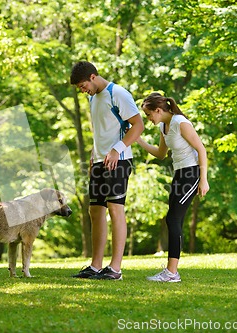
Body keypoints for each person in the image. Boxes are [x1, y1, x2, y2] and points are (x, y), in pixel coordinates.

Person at [70, 61, 144, 280]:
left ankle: (116, 269)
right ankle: (95, 266)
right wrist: (95, 154)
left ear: (93, 77)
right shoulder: (93, 98)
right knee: (95, 210)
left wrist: (116, 150)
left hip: (119, 160)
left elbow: (138, 125)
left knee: (115, 208)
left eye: (83, 86)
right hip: (100, 161)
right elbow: (101, 130)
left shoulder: (117, 93)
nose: (83, 91)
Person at [136, 92, 209, 282]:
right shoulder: (164, 126)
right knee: (172, 219)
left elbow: (201, 149)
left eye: (149, 115)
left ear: (158, 110)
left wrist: (204, 179)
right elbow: (161, 153)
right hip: (179, 174)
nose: (149, 119)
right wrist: (138, 140)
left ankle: (172, 273)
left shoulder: (180, 122)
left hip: (191, 174)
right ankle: (171, 272)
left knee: (174, 218)